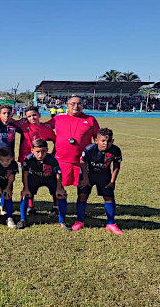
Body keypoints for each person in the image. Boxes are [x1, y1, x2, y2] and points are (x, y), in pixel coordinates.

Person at [44, 96, 100, 229]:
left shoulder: (90, 120)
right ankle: (61, 219)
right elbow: (41, 126)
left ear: (83, 105)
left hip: (82, 163)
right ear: (67, 106)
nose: (76, 106)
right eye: (73, 104)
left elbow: (98, 139)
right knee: (60, 190)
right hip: (62, 161)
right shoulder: (58, 118)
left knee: (82, 191)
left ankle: (80, 220)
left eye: (79, 103)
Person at [73, 128, 123, 234]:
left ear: (112, 141)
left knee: (109, 198)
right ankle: (79, 221)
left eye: (109, 141)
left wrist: (112, 181)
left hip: (104, 176)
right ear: (96, 140)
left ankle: (111, 223)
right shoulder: (89, 149)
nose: (106, 143)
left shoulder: (115, 150)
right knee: (82, 196)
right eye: (103, 141)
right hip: (88, 174)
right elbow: (82, 163)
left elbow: (116, 166)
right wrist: (85, 179)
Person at [19, 139, 67, 230]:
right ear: (32, 150)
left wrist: (59, 188)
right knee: (25, 194)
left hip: (50, 179)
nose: (40, 155)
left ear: (47, 150)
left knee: (61, 194)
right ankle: (22, 219)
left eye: (43, 152)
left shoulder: (52, 159)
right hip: (35, 179)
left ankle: (62, 221)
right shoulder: (29, 159)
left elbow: (58, 174)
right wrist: (25, 188)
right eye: (37, 152)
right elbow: (24, 173)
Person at [16, 106, 57, 212]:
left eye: (34, 115)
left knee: (52, 181)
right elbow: (9, 121)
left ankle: (56, 205)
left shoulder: (46, 128)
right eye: (29, 116)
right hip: (27, 159)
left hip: (42, 160)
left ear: (39, 115)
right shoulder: (24, 126)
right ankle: (30, 205)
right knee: (28, 182)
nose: (32, 118)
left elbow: (56, 141)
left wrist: (52, 155)